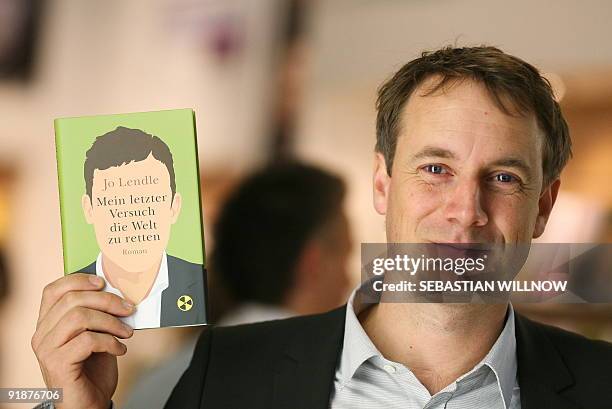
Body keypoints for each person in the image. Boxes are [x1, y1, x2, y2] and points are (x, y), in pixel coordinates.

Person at [32, 46, 612, 409]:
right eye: (435, 169)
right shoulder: (229, 371)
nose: (466, 211)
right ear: (383, 183)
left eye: (504, 178)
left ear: (543, 207)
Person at [122, 162, 353, 408]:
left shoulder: (161, 377)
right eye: (345, 258)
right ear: (313, 262)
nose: (347, 281)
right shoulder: (334, 388)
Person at [76, 126, 206, 329]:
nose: (132, 217)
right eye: (115, 202)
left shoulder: (202, 286)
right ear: (89, 208)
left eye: (149, 199)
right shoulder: (73, 296)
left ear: (174, 206)